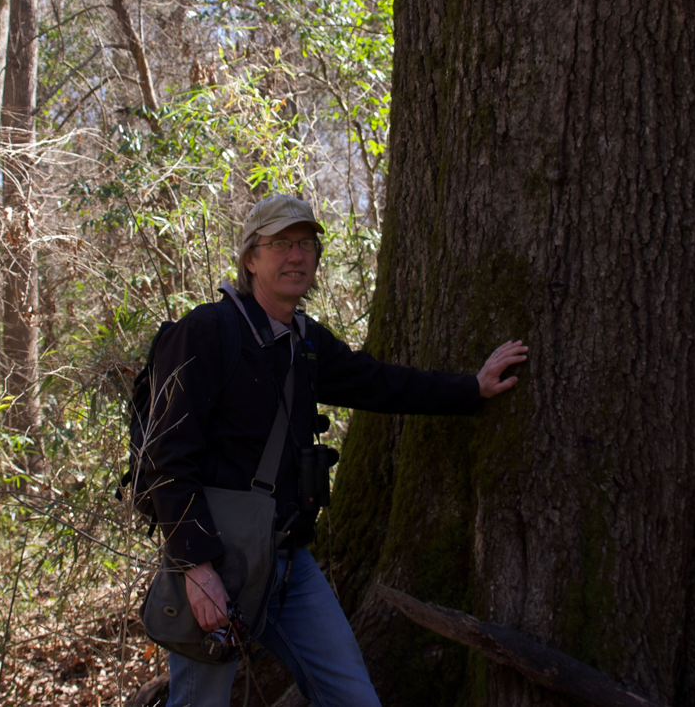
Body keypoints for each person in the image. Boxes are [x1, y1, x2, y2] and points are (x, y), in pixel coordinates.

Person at [141, 194, 528, 707]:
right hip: (218, 562)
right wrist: (198, 570)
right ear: (250, 258)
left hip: (288, 566)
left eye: (305, 244)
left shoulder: (306, 342)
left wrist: (471, 388)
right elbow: (164, 459)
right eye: (279, 244)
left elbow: (381, 384)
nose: (296, 256)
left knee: (352, 697)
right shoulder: (207, 333)